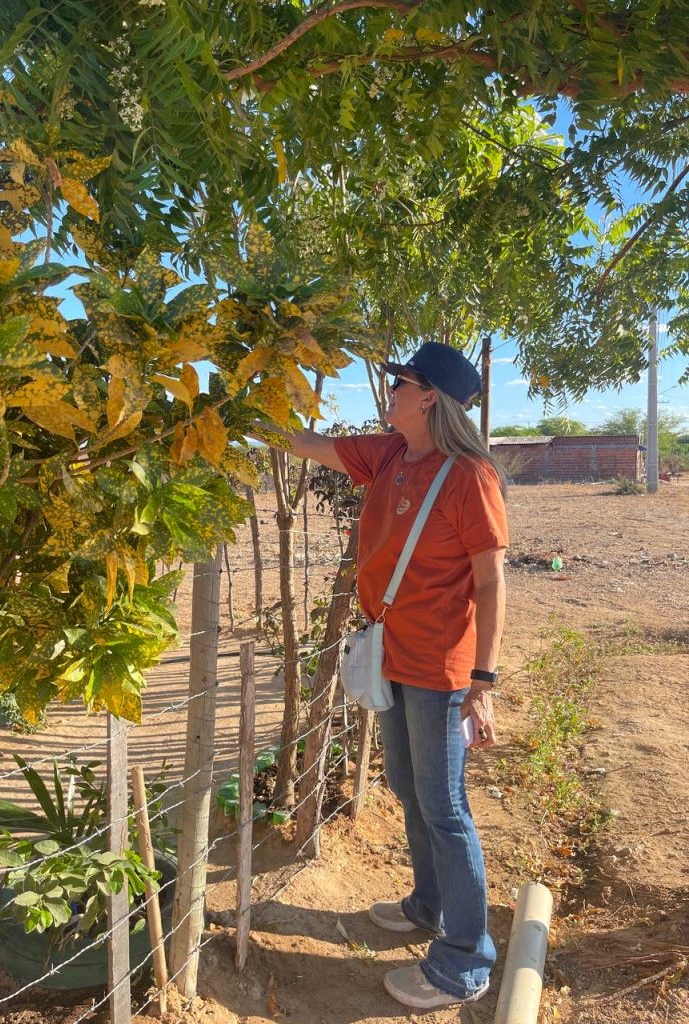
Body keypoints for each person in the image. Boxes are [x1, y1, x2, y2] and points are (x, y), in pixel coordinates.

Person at [253, 341, 508, 1010]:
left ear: (431, 398)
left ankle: (464, 961)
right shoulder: (391, 455)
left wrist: (482, 683)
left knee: (445, 807)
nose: (390, 390)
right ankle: (428, 904)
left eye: (402, 383)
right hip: (394, 656)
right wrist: (248, 417)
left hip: (442, 669)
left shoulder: (468, 477)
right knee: (407, 785)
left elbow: (491, 581)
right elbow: (309, 444)